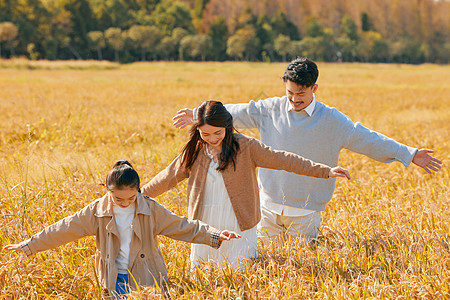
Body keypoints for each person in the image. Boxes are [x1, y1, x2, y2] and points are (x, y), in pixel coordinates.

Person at [172, 57, 442, 243]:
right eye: (289, 92)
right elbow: (232, 112)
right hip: (266, 207)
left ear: (315, 88)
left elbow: (368, 139)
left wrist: (409, 153)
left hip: (306, 212)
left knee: (302, 269)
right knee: (268, 267)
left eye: (300, 94)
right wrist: (198, 114)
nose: (294, 99)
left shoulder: (333, 121)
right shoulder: (269, 110)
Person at [141, 100, 350, 269]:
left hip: (238, 219)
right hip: (205, 220)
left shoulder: (245, 146)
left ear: (227, 127)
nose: (212, 139)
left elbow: (283, 160)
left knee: (240, 272)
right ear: (198, 131)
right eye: (205, 134)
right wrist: (139, 196)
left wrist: (324, 170)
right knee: (205, 272)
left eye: (218, 132)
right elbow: (167, 177)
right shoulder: (196, 150)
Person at [3, 160, 241, 297]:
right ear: (108, 191)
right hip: (114, 276)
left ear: (138, 189)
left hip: (147, 275)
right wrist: (28, 245)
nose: (126, 203)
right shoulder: (96, 211)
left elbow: (181, 226)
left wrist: (215, 234)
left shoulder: (150, 208)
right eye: (119, 199)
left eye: (131, 198)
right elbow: (64, 228)